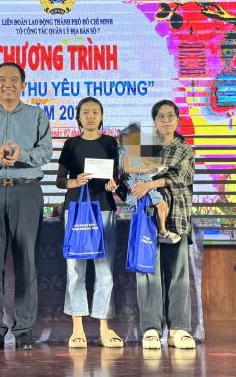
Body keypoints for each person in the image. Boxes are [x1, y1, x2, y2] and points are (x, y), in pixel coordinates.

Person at [0, 62, 52, 351]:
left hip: (26, 192)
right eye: (2, 79)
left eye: (14, 80)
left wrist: (20, 155)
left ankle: (25, 328)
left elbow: (45, 153)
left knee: (26, 261)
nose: (8, 84)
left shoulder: (37, 116)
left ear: (23, 84)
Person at [55, 97, 122, 348]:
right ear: (78, 117)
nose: (91, 116)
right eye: (86, 112)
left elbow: (116, 176)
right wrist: (76, 181)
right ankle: (78, 328)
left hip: (104, 207)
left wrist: (114, 183)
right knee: (75, 270)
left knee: (104, 270)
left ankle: (104, 327)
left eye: (95, 112)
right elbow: (60, 180)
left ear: (102, 116)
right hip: (76, 209)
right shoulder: (71, 144)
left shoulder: (110, 143)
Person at [132, 100, 196, 350]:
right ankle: (151, 328)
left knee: (178, 275)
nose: (166, 120)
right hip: (147, 217)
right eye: (161, 116)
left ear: (177, 120)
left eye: (170, 116)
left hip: (177, 217)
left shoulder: (184, 149)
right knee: (148, 274)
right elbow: (132, 174)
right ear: (155, 121)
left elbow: (183, 178)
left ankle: (179, 329)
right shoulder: (144, 147)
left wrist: (151, 183)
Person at [118, 123, 175, 244]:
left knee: (162, 206)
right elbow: (127, 169)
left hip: (148, 186)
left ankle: (163, 231)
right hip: (136, 187)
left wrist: (160, 167)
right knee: (137, 212)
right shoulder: (126, 156)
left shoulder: (138, 155)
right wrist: (142, 169)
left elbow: (149, 164)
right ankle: (137, 234)